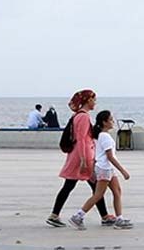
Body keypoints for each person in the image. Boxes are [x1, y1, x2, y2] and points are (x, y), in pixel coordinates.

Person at [46, 89, 115, 228]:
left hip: (77, 156)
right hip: (82, 157)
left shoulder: (78, 115)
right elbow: (82, 139)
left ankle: (55, 215)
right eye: (94, 99)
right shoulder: (83, 117)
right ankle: (104, 216)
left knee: (72, 186)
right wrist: (84, 160)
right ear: (88, 100)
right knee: (95, 186)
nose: (95, 102)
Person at [73, 110, 133, 230]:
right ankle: (78, 216)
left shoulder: (100, 135)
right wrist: (123, 171)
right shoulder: (104, 136)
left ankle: (119, 218)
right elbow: (109, 157)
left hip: (107, 168)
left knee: (117, 191)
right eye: (110, 119)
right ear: (104, 122)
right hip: (105, 168)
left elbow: (96, 154)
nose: (113, 121)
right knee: (98, 195)